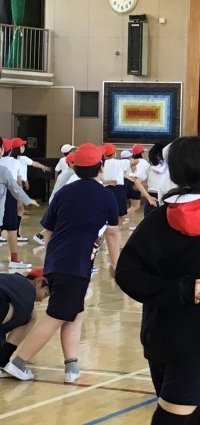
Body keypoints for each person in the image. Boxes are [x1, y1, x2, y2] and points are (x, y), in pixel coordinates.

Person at [116, 136, 200, 425]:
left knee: (187, 410)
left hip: (160, 333)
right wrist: (185, 289)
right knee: (175, 415)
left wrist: (174, 288)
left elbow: (126, 273)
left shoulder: (155, 221)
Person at [3, 143, 121, 383]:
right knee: (56, 315)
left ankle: (71, 367)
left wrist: (52, 258)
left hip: (57, 263)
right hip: (75, 266)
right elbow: (112, 233)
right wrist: (115, 264)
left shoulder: (63, 193)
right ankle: (18, 362)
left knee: (75, 312)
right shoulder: (106, 196)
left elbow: (48, 230)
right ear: (101, 167)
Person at [0, 269, 50, 372]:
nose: (42, 299)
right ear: (39, 281)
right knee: (31, 316)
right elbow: (24, 315)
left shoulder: (11, 280)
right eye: (45, 294)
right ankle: (3, 360)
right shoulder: (27, 291)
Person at [0, 140, 39, 265]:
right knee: (11, 228)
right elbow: (16, 185)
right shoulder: (8, 167)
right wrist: (26, 200)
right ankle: (14, 260)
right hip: (8, 197)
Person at [12, 137, 50, 242]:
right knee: (19, 209)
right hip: (16, 186)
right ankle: (16, 234)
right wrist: (43, 167)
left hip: (11, 186)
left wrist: (26, 181)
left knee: (15, 209)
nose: (24, 147)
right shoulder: (20, 159)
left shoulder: (13, 159)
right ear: (19, 148)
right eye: (22, 146)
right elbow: (33, 164)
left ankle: (13, 233)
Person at [101, 143, 130, 226]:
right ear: (114, 153)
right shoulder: (119, 163)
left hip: (105, 189)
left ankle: (106, 229)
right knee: (120, 213)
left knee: (106, 212)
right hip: (118, 189)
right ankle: (116, 228)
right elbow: (132, 162)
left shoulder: (102, 164)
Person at [137, 143, 168, 218]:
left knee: (149, 223)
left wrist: (148, 197)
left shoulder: (148, 167)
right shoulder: (169, 167)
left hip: (151, 198)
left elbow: (137, 182)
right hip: (166, 197)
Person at [124, 144, 150, 230]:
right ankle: (119, 218)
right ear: (141, 152)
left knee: (133, 205)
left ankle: (131, 223)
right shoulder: (144, 162)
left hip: (127, 182)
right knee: (136, 206)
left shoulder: (131, 161)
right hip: (135, 184)